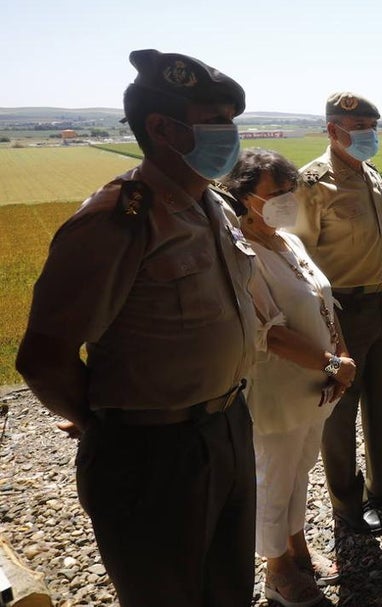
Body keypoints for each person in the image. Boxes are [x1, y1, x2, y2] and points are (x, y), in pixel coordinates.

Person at [15, 49, 258, 606]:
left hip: (227, 426)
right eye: (215, 120)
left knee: (227, 590)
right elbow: (44, 357)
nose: (230, 134)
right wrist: (109, 425)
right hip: (151, 451)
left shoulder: (209, 205)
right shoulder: (119, 218)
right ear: (161, 128)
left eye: (231, 121)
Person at [288, 92, 382, 536]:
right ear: (333, 130)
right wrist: (317, 321)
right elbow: (299, 258)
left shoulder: (369, 173)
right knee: (341, 410)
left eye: (372, 126)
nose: (371, 135)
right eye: (362, 127)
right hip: (343, 308)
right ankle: (348, 502)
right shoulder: (312, 183)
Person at [224, 149, 357, 606]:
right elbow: (272, 334)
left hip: (317, 383)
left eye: (289, 191)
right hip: (278, 389)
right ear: (243, 198)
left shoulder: (288, 239)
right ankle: (276, 571)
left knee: (301, 469)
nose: (285, 200)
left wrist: (341, 355)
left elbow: (324, 300)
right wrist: (333, 364)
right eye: (274, 194)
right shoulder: (244, 254)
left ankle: (296, 545)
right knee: (275, 478)